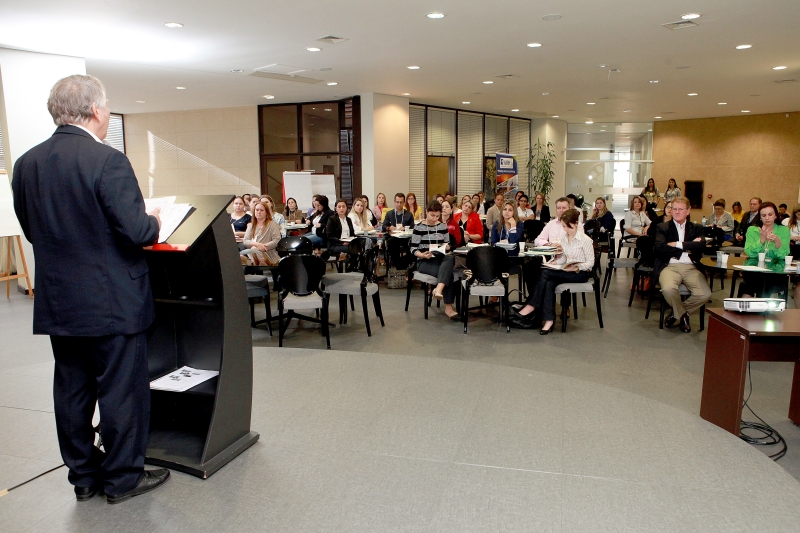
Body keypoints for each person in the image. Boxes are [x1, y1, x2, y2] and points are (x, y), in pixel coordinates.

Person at [11, 74, 170, 504]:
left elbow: (32, 230)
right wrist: (155, 218)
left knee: (72, 391)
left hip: (60, 302)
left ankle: (82, 477)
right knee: (120, 392)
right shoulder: (107, 160)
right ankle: (122, 479)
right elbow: (137, 231)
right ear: (98, 111)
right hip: (113, 302)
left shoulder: (26, 163)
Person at [511, 209, 595, 333]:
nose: (566, 230)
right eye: (564, 227)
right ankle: (549, 320)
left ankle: (531, 305)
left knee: (545, 273)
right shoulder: (565, 239)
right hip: (567, 270)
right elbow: (565, 257)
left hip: (580, 273)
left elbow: (591, 262)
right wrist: (554, 263)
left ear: (576, 224)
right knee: (549, 282)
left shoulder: (586, 240)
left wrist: (577, 267)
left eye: (568, 227)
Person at [653, 196, 711, 333]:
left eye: (681, 209)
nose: (677, 212)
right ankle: (683, 315)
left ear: (688, 211)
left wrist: (678, 244)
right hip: (670, 266)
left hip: (691, 267)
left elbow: (702, 247)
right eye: (674, 209)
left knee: (705, 294)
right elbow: (660, 248)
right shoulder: (662, 227)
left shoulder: (696, 228)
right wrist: (690, 246)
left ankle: (675, 314)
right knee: (668, 289)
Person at [410, 201, 459, 319]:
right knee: (448, 274)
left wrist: (447, 247)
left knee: (450, 257)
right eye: (432, 215)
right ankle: (448, 307)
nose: (434, 218)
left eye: (437, 216)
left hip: (440, 258)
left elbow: (448, 245)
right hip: (424, 260)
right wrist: (422, 255)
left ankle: (438, 289)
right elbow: (412, 249)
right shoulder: (419, 227)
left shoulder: (442, 226)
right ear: (427, 212)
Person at [738, 201, 790, 298]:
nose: (767, 218)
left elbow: (784, 256)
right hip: (754, 270)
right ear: (760, 217)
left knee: (765, 281)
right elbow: (749, 252)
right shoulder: (752, 230)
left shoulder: (784, 230)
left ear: (775, 215)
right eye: (763, 215)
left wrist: (778, 243)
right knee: (749, 283)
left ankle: (760, 307)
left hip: (775, 271)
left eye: (770, 214)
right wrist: (761, 241)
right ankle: (745, 309)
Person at [242, 201, 281, 266]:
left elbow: (277, 240)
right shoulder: (251, 225)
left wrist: (263, 247)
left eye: (261, 210)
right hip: (252, 252)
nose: (259, 212)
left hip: (268, 253)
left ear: (266, 212)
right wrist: (257, 245)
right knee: (241, 257)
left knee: (258, 256)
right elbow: (245, 241)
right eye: (257, 210)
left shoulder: (272, 224)